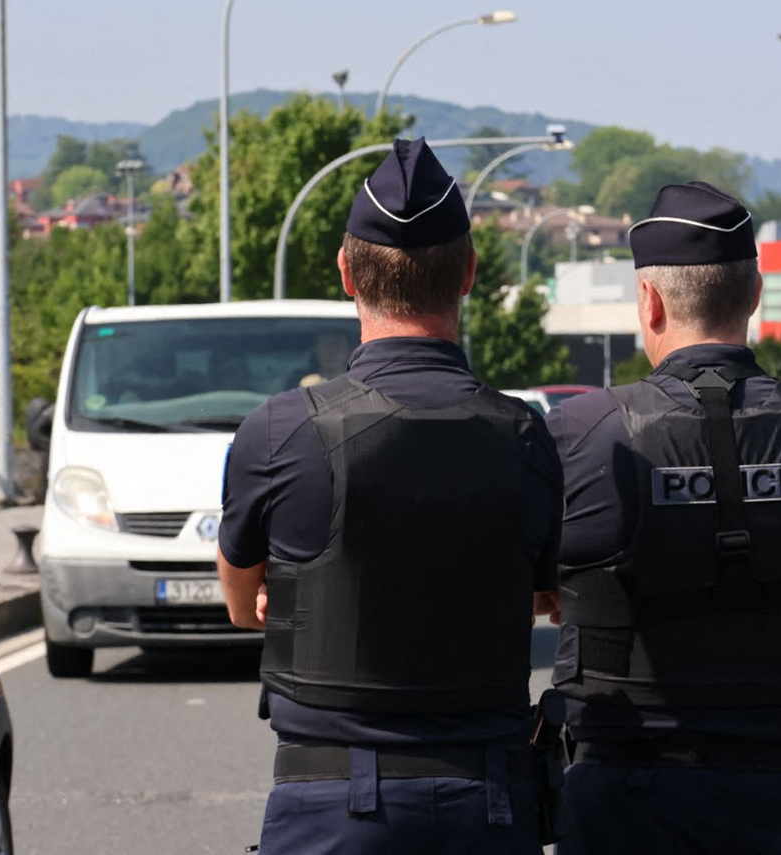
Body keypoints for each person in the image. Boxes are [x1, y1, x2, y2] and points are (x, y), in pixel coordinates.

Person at [217, 138, 564, 855]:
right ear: (469, 273)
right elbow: (546, 595)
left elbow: (239, 600)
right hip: (488, 804)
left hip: (329, 807)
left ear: (347, 272)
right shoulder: (525, 436)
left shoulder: (279, 431)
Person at [546, 182, 781, 855]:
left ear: (650, 299)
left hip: (630, 802)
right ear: (754, 293)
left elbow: (526, 578)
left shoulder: (583, 433)